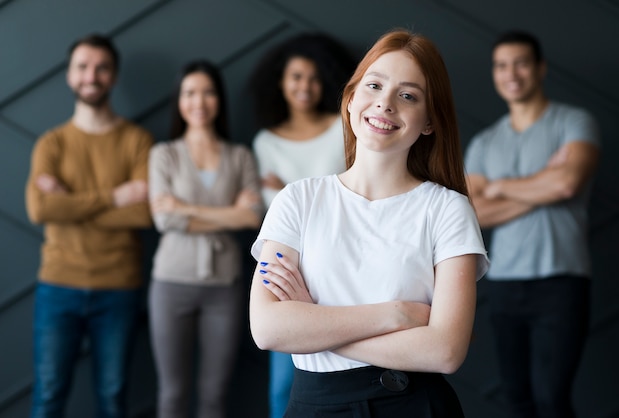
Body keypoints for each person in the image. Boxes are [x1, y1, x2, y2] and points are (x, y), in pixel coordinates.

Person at [248, 29, 489, 417]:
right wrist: (395, 315)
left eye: (408, 95)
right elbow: (268, 329)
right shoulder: (297, 199)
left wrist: (313, 323)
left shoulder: (448, 210)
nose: (385, 104)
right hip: (314, 405)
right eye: (374, 86)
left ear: (429, 121)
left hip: (414, 404)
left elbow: (444, 352)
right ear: (350, 99)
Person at [464, 30, 600, 418]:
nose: (512, 73)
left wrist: (500, 187)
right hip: (504, 284)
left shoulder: (575, 121)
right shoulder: (485, 142)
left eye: (521, 63)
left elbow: (567, 182)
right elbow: (474, 214)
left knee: (551, 401)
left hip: (562, 281)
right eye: (501, 65)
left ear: (540, 68)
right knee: (516, 402)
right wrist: (543, 186)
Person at [25, 34, 154, 417]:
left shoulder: (137, 141)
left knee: (112, 398)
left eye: (101, 67)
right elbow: (40, 209)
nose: (91, 76)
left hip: (119, 287)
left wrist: (70, 202)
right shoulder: (51, 143)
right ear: (69, 75)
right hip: (57, 285)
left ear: (113, 77)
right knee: (48, 394)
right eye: (82, 67)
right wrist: (114, 197)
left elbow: (143, 214)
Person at [148, 60, 263, 418]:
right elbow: (165, 219)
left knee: (214, 396)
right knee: (172, 394)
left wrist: (187, 208)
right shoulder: (163, 154)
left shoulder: (240, 155)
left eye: (208, 92)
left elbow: (253, 217)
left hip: (224, 285)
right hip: (171, 283)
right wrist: (228, 213)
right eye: (190, 93)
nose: (199, 101)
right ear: (179, 101)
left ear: (219, 99)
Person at [248, 33, 355, 417]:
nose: (304, 86)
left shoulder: (343, 126)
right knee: (283, 387)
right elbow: (270, 213)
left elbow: (352, 192)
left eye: (312, 77)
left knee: (348, 372)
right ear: (281, 82)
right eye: (296, 77)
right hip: (287, 270)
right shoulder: (265, 142)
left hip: (344, 263)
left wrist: (286, 191)